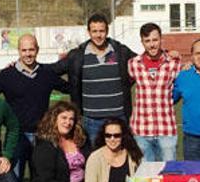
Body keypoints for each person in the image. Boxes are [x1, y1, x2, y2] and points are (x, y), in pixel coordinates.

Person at [0, 34, 69, 182]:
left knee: (41, 181)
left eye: (31, 50)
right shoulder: (6, 75)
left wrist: (75, 68)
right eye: (24, 50)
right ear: (18, 51)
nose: (28, 54)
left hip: (42, 137)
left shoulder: (46, 73)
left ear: (37, 50)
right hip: (15, 137)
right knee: (13, 180)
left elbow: (69, 88)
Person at [51, 13, 137, 144]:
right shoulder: (77, 55)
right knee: (93, 160)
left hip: (118, 118)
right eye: (94, 31)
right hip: (90, 121)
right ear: (88, 32)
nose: (98, 35)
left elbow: (143, 63)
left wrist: (168, 55)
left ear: (107, 31)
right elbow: (52, 71)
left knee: (120, 159)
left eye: (102, 31)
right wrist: (69, 88)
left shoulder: (121, 51)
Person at [128, 22, 181, 162]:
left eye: (155, 40)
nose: (152, 44)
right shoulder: (133, 64)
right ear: (142, 42)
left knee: (169, 174)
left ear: (161, 39)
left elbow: (181, 87)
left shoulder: (174, 63)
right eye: (147, 41)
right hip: (141, 130)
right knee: (145, 176)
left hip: (166, 129)